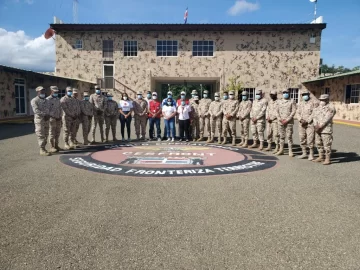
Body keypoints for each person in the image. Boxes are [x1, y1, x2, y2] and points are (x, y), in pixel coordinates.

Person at [312, 94, 336, 165]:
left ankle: (327, 159)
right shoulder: (317, 108)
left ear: (327, 100)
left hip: (325, 129)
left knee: (327, 144)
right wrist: (315, 125)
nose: (321, 101)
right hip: (317, 128)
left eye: (323, 100)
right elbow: (314, 116)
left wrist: (320, 125)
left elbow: (327, 118)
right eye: (321, 100)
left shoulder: (331, 108)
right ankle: (321, 156)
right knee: (318, 143)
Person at [297, 89, 319, 160]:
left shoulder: (314, 103)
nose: (304, 96)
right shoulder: (300, 103)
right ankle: (304, 153)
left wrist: (308, 120)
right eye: (303, 95)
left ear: (309, 95)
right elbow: (297, 113)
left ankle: (311, 154)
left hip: (310, 124)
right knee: (302, 138)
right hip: (301, 124)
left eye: (305, 94)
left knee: (310, 139)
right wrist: (300, 119)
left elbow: (314, 113)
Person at [275, 89, 297, 156]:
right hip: (280, 121)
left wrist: (287, 120)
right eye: (284, 93)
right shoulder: (279, 101)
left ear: (289, 93)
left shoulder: (292, 101)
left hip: (289, 122)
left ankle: (290, 151)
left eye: (286, 93)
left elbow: (293, 111)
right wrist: (279, 119)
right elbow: (276, 111)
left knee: (289, 136)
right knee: (281, 136)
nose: (285, 94)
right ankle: (281, 150)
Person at [31, 86, 51, 156]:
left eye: (43, 91)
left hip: (46, 120)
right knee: (40, 134)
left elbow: (49, 109)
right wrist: (44, 115)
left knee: (46, 134)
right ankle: (42, 149)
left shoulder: (47, 101)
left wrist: (48, 115)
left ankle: (44, 148)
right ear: (37, 92)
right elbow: (36, 110)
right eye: (41, 91)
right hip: (39, 120)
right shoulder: (34, 100)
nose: (42, 92)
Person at [46, 86, 62, 152]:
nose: (56, 93)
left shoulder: (58, 99)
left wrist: (60, 116)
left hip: (58, 118)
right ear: (51, 91)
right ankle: (51, 147)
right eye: (55, 92)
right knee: (52, 133)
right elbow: (47, 110)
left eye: (57, 92)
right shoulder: (47, 99)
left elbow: (60, 109)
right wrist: (54, 116)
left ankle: (56, 145)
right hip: (52, 119)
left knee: (57, 133)